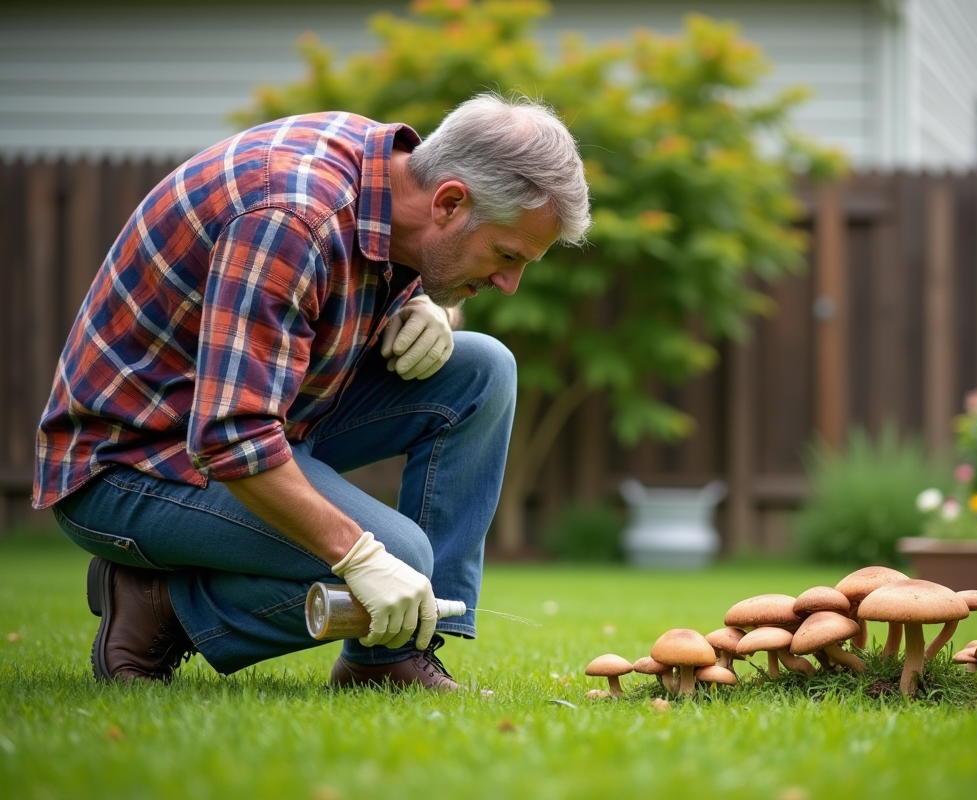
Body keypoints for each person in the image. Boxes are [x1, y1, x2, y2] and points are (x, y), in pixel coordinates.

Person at [32, 94, 591, 692]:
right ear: (450, 202)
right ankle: (158, 603)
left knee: (483, 367)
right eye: (506, 255)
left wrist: (429, 305)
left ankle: (392, 656)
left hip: (266, 419)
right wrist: (360, 558)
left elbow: (348, 285)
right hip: (130, 464)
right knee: (398, 557)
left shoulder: (391, 175)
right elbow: (232, 436)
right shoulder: (290, 215)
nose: (509, 284)